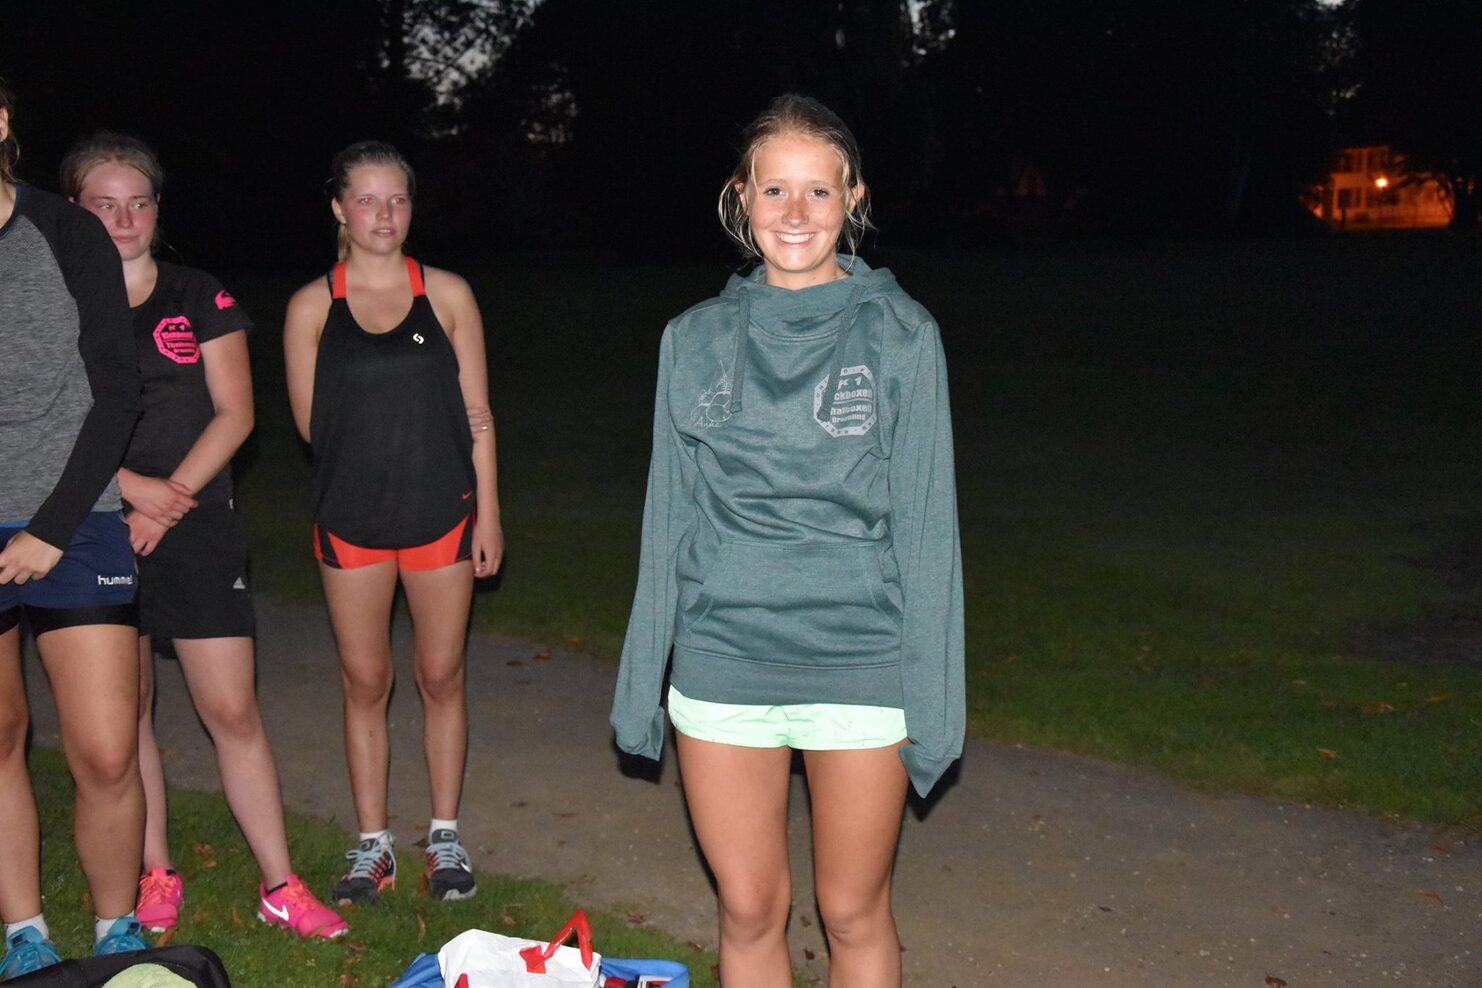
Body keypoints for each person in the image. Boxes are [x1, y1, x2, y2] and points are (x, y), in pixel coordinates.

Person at [610, 94, 964, 987]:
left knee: (852, 911)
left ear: (853, 201)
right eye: (774, 190)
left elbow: (929, 530)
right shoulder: (691, 341)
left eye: (818, 192)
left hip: (861, 658)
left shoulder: (903, 336)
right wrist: (639, 688)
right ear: (742, 199)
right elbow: (668, 520)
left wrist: (937, 705)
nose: (795, 214)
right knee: (749, 908)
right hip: (723, 658)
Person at [61, 133, 349, 941]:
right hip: (93, 528)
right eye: (103, 205)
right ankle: (154, 871)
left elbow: (238, 413)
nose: (123, 219)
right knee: (130, 716)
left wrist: (171, 498)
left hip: (197, 525)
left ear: (158, 210)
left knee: (231, 708)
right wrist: (132, 494)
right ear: (76, 213)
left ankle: (280, 882)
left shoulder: (198, 293)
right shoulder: (54, 305)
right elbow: (51, 426)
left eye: (138, 203)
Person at [282, 141, 502, 906]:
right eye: (367, 200)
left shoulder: (447, 296)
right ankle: (372, 842)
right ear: (339, 208)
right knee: (365, 680)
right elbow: (313, 428)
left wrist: (489, 513)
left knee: (440, 675)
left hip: (442, 514)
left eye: (397, 199)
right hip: (350, 520)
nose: (384, 214)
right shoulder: (314, 306)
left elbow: (477, 416)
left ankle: (444, 834)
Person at [0, 83, 150, 978]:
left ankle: (115, 928)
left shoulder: (66, 232)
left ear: (4, 119)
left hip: (75, 517)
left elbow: (116, 390)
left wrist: (53, 527)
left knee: (103, 745)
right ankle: (23, 932)